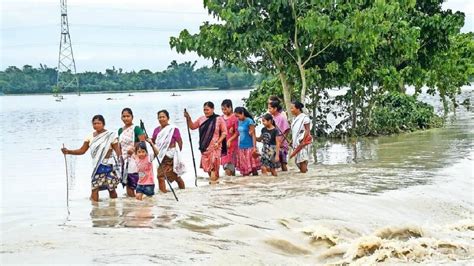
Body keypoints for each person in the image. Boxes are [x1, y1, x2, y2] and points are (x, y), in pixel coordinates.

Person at [61, 115, 122, 202]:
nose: (96, 125)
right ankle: (95, 210)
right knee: (94, 189)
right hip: (97, 167)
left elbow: (118, 151)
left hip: (109, 166)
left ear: (103, 124)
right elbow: (82, 150)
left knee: (111, 189)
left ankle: (113, 208)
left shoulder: (111, 136)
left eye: (99, 123)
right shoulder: (89, 137)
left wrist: (121, 164)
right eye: (94, 123)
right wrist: (68, 152)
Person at [184, 102, 227, 184]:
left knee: (214, 167)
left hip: (215, 147)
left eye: (207, 110)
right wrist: (188, 118)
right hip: (204, 148)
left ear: (213, 109)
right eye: (204, 110)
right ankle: (215, 184)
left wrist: (218, 142)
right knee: (209, 170)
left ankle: (212, 186)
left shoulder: (219, 119)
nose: (206, 111)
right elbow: (192, 127)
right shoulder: (201, 119)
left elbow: (224, 133)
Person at [151, 110, 186, 193]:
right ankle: (164, 194)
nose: (161, 119)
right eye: (159, 117)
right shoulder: (156, 130)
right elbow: (154, 142)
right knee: (161, 176)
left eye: (163, 117)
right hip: (161, 156)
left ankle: (183, 192)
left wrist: (177, 154)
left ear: (168, 118)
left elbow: (179, 141)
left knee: (174, 176)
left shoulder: (173, 129)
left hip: (171, 156)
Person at [118, 108, 145, 197]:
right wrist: (119, 157)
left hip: (135, 159)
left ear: (132, 117)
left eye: (128, 116)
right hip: (125, 159)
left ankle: (137, 206)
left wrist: (133, 149)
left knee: (135, 181)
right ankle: (131, 203)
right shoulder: (120, 130)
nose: (126, 118)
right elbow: (119, 145)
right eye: (124, 116)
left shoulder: (136, 128)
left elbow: (142, 142)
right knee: (127, 182)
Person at [234, 107, 260, 176]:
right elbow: (238, 133)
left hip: (250, 147)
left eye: (238, 116)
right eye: (236, 116)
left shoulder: (249, 121)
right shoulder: (239, 121)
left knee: (253, 169)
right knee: (244, 171)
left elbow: (253, 135)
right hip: (241, 147)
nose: (237, 118)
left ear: (242, 113)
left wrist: (254, 148)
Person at [268, 100, 290, 171]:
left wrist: (281, 142)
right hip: (272, 143)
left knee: (283, 163)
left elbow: (287, 130)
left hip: (281, 144)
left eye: (270, 108)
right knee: (271, 162)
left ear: (275, 109)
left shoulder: (282, 117)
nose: (269, 110)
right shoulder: (270, 118)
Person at [290, 101, 312, 173]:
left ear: (298, 108)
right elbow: (295, 132)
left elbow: (307, 131)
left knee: (302, 165)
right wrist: (292, 140)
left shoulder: (305, 118)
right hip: (296, 144)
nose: (291, 110)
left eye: (292, 108)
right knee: (299, 164)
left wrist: (302, 142)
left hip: (302, 144)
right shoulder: (294, 119)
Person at [221, 99, 239, 176]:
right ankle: (232, 186)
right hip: (223, 145)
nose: (224, 111)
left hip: (232, 145)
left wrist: (230, 140)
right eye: (222, 109)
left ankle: (229, 185)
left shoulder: (235, 118)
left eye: (225, 109)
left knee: (229, 167)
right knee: (226, 166)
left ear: (230, 107)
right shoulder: (221, 118)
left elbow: (237, 132)